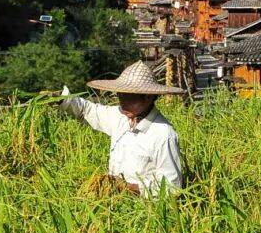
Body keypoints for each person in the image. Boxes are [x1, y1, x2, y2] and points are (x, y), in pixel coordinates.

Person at [61, 60, 183, 194]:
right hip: (112, 199)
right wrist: (63, 99)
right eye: (120, 95)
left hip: (142, 205)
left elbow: (172, 186)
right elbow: (87, 110)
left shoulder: (163, 134)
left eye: (128, 96)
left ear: (148, 97)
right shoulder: (119, 116)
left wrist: (128, 188)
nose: (122, 101)